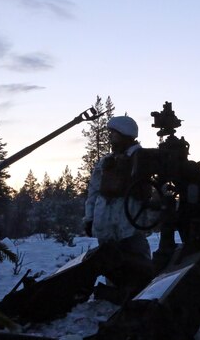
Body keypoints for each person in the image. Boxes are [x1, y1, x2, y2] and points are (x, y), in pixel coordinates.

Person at [83, 115, 153, 300]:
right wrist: (89, 218)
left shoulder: (142, 160)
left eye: (114, 133)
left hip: (130, 225)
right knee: (110, 263)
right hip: (106, 225)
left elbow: (152, 193)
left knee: (138, 261)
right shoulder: (106, 162)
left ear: (125, 134)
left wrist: (150, 220)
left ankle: (141, 295)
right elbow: (94, 191)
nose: (110, 136)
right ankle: (116, 292)